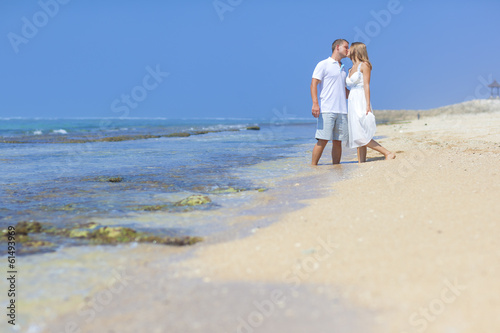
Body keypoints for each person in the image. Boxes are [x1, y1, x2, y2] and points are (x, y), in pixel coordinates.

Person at [346, 42, 396, 163]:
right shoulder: (349, 68)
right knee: (357, 131)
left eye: (350, 48)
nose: (347, 50)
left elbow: (367, 85)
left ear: (356, 50)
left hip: (361, 99)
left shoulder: (364, 65)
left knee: (361, 134)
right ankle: (361, 161)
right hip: (352, 101)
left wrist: (367, 105)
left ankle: (387, 153)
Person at [311, 39, 350, 165]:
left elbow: (343, 89)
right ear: (337, 47)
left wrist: (359, 96)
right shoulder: (323, 64)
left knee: (338, 141)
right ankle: (313, 166)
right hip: (327, 109)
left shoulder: (343, 68)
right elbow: (313, 84)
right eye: (346, 47)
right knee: (322, 140)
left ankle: (336, 167)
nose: (348, 50)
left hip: (342, 110)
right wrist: (315, 103)